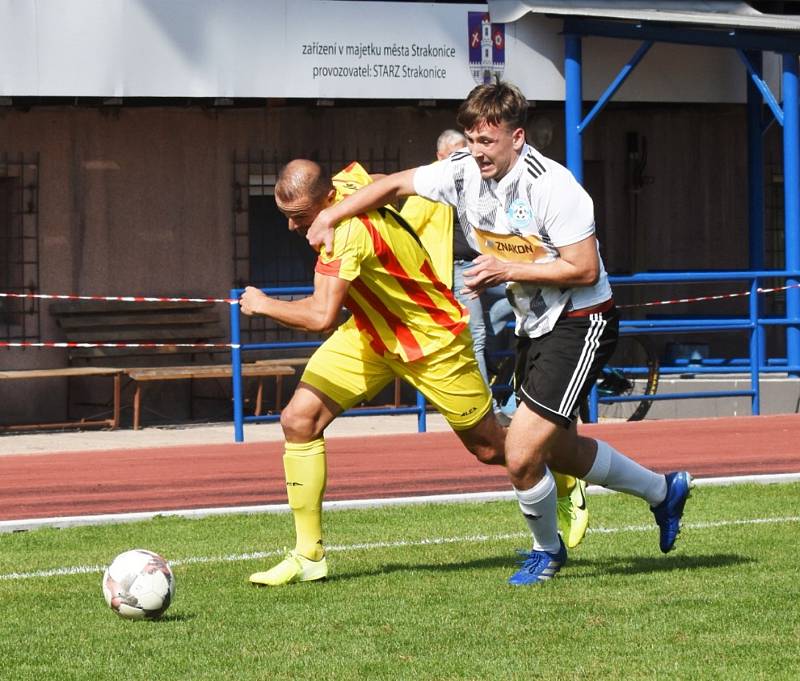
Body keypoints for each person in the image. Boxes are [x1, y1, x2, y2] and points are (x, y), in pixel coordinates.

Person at [306, 81, 693, 586]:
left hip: (582, 321)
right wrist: (332, 214)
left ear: (518, 136)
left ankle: (546, 552)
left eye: (486, 141)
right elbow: (393, 184)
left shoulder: (553, 186)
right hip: (535, 323)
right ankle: (665, 492)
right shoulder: (462, 171)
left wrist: (503, 270)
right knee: (555, 450)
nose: (476, 151)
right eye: (470, 138)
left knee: (520, 451)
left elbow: (582, 268)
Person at [241, 159, 507, 586]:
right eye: (285, 217)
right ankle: (308, 555)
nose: (293, 228)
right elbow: (384, 182)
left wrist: (262, 304)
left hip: (431, 340)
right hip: (370, 333)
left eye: (299, 217)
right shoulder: (348, 183)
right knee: (298, 420)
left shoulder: (344, 235)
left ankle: (564, 474)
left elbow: (322, 315)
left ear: (327, 200)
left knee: (492, 449)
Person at [401, 128, 589, 549]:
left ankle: (503, 400)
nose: (469, 160)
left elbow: (575, 264)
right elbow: (399, 223)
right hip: (458, 275)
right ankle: (534, 428)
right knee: (478, 329)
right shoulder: (438, 185)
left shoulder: (520, 184)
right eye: (458, 153)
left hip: (500, 271)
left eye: (474, 149)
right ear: (439, 156)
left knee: (493, 325)